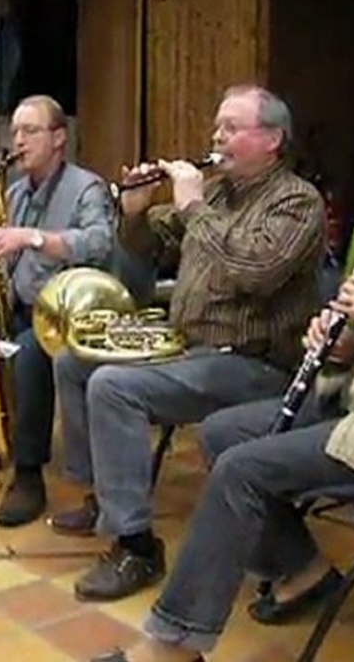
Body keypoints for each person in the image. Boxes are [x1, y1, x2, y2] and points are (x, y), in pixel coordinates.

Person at [97, 89, 354, 662]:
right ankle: (306, 570)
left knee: (242, 467)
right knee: (222, 435)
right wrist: (346, 342)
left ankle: (169, 649)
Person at [53, 85, 327, 602]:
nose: (216, 136)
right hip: (193, 349)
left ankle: (135, 545)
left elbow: (256, 271)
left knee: (114, 387)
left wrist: (194, 205)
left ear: (271, 139)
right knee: (74, 361)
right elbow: (149, 249)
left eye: (231, 127)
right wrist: (133, 212)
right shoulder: (221, 193)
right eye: (217, 125)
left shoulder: (296, 200)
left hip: (255, 363)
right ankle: (105, 494)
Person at [0, 94, 116, 527]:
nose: (18, 141)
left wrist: (35, 238)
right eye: (15, 132)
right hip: (19, 304)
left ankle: (28, 476)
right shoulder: (16, 191)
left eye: (30, 131)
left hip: (66, 315)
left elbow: (100, 244)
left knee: (27, 355)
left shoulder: (87, 187)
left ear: (59, 138)